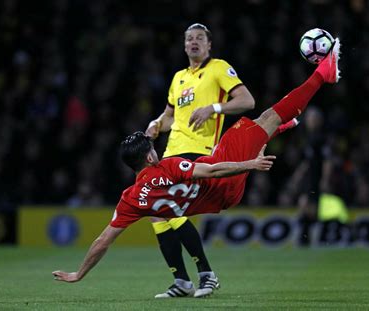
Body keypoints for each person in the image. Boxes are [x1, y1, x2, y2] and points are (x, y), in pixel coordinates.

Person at [52, 38, 341, 291]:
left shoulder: (131, 199)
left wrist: (79, 274)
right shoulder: (169, 166)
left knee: (257, 126)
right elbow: (213, 170)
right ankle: (322, 75)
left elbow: (104, 240)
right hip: (223, 179)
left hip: (220, 194)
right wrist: (250, 163)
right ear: (151, 157)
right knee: (269, 117)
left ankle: (277, 127)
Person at [144, 23, 256, 298]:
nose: (194, 42)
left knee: (171, 208)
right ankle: (182, 280)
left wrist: (214, 108)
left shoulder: (218, 68)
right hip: (171, 153)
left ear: (209, 45)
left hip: (200, 151)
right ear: (184, 46)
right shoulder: (178, 77)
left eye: (199, 39)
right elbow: (170, 116)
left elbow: (247, 101)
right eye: (189, 39)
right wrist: (157, 123)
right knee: (158, 213)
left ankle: (206, 274)